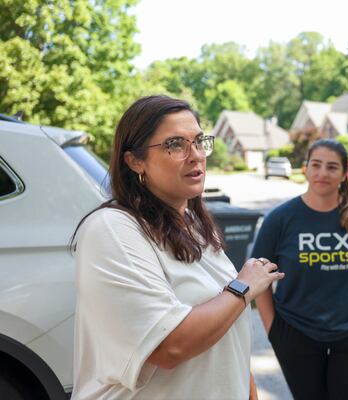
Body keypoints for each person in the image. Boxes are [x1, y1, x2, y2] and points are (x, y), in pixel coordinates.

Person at [70, 95, 284, 400]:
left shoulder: (195, 225)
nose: (195, 155)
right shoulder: (113, 230)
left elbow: (224, 334)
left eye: (198, 141)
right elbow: (169, 345)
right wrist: (243, 287)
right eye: (175, 144)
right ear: (135, 161)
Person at [252, 139, 348, 400]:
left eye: (332, 167)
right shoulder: (280, 219)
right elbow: (259, 280)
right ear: (306, 169)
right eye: (316, 165)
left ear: (344, 174)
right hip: (295, 332)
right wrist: (274, 331)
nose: (323, 173)